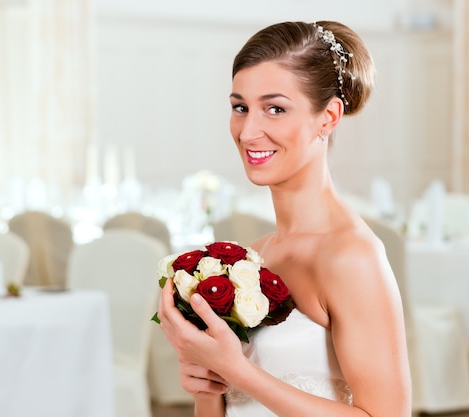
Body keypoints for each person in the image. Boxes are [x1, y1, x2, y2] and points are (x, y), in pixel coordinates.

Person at [158, 20, 412, 417]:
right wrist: (207, 391)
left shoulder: (352, 256)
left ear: (327, 117)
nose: (248, 131)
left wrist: (235, 370)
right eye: (241, 107)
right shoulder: (252, 258)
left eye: (274, 109)